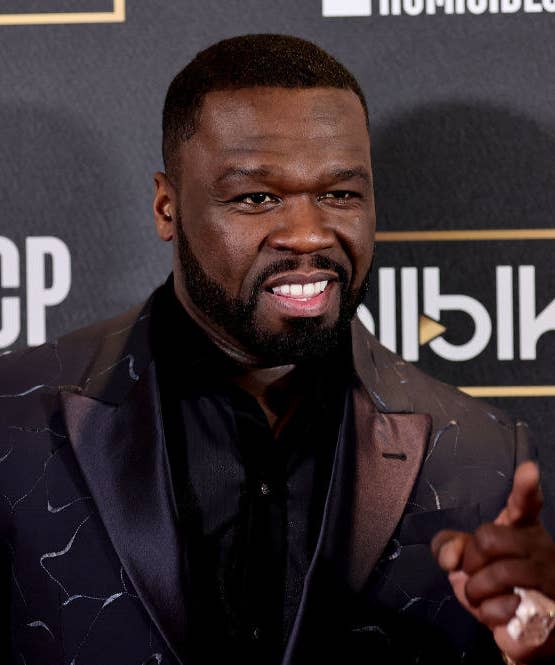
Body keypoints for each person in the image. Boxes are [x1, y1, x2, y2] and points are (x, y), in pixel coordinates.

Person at [0, 34, 554, 665]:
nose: (308, 234)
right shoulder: (12, 420)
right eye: (257, 198)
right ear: (167, 207)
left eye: (340, 194)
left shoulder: (482, 458)